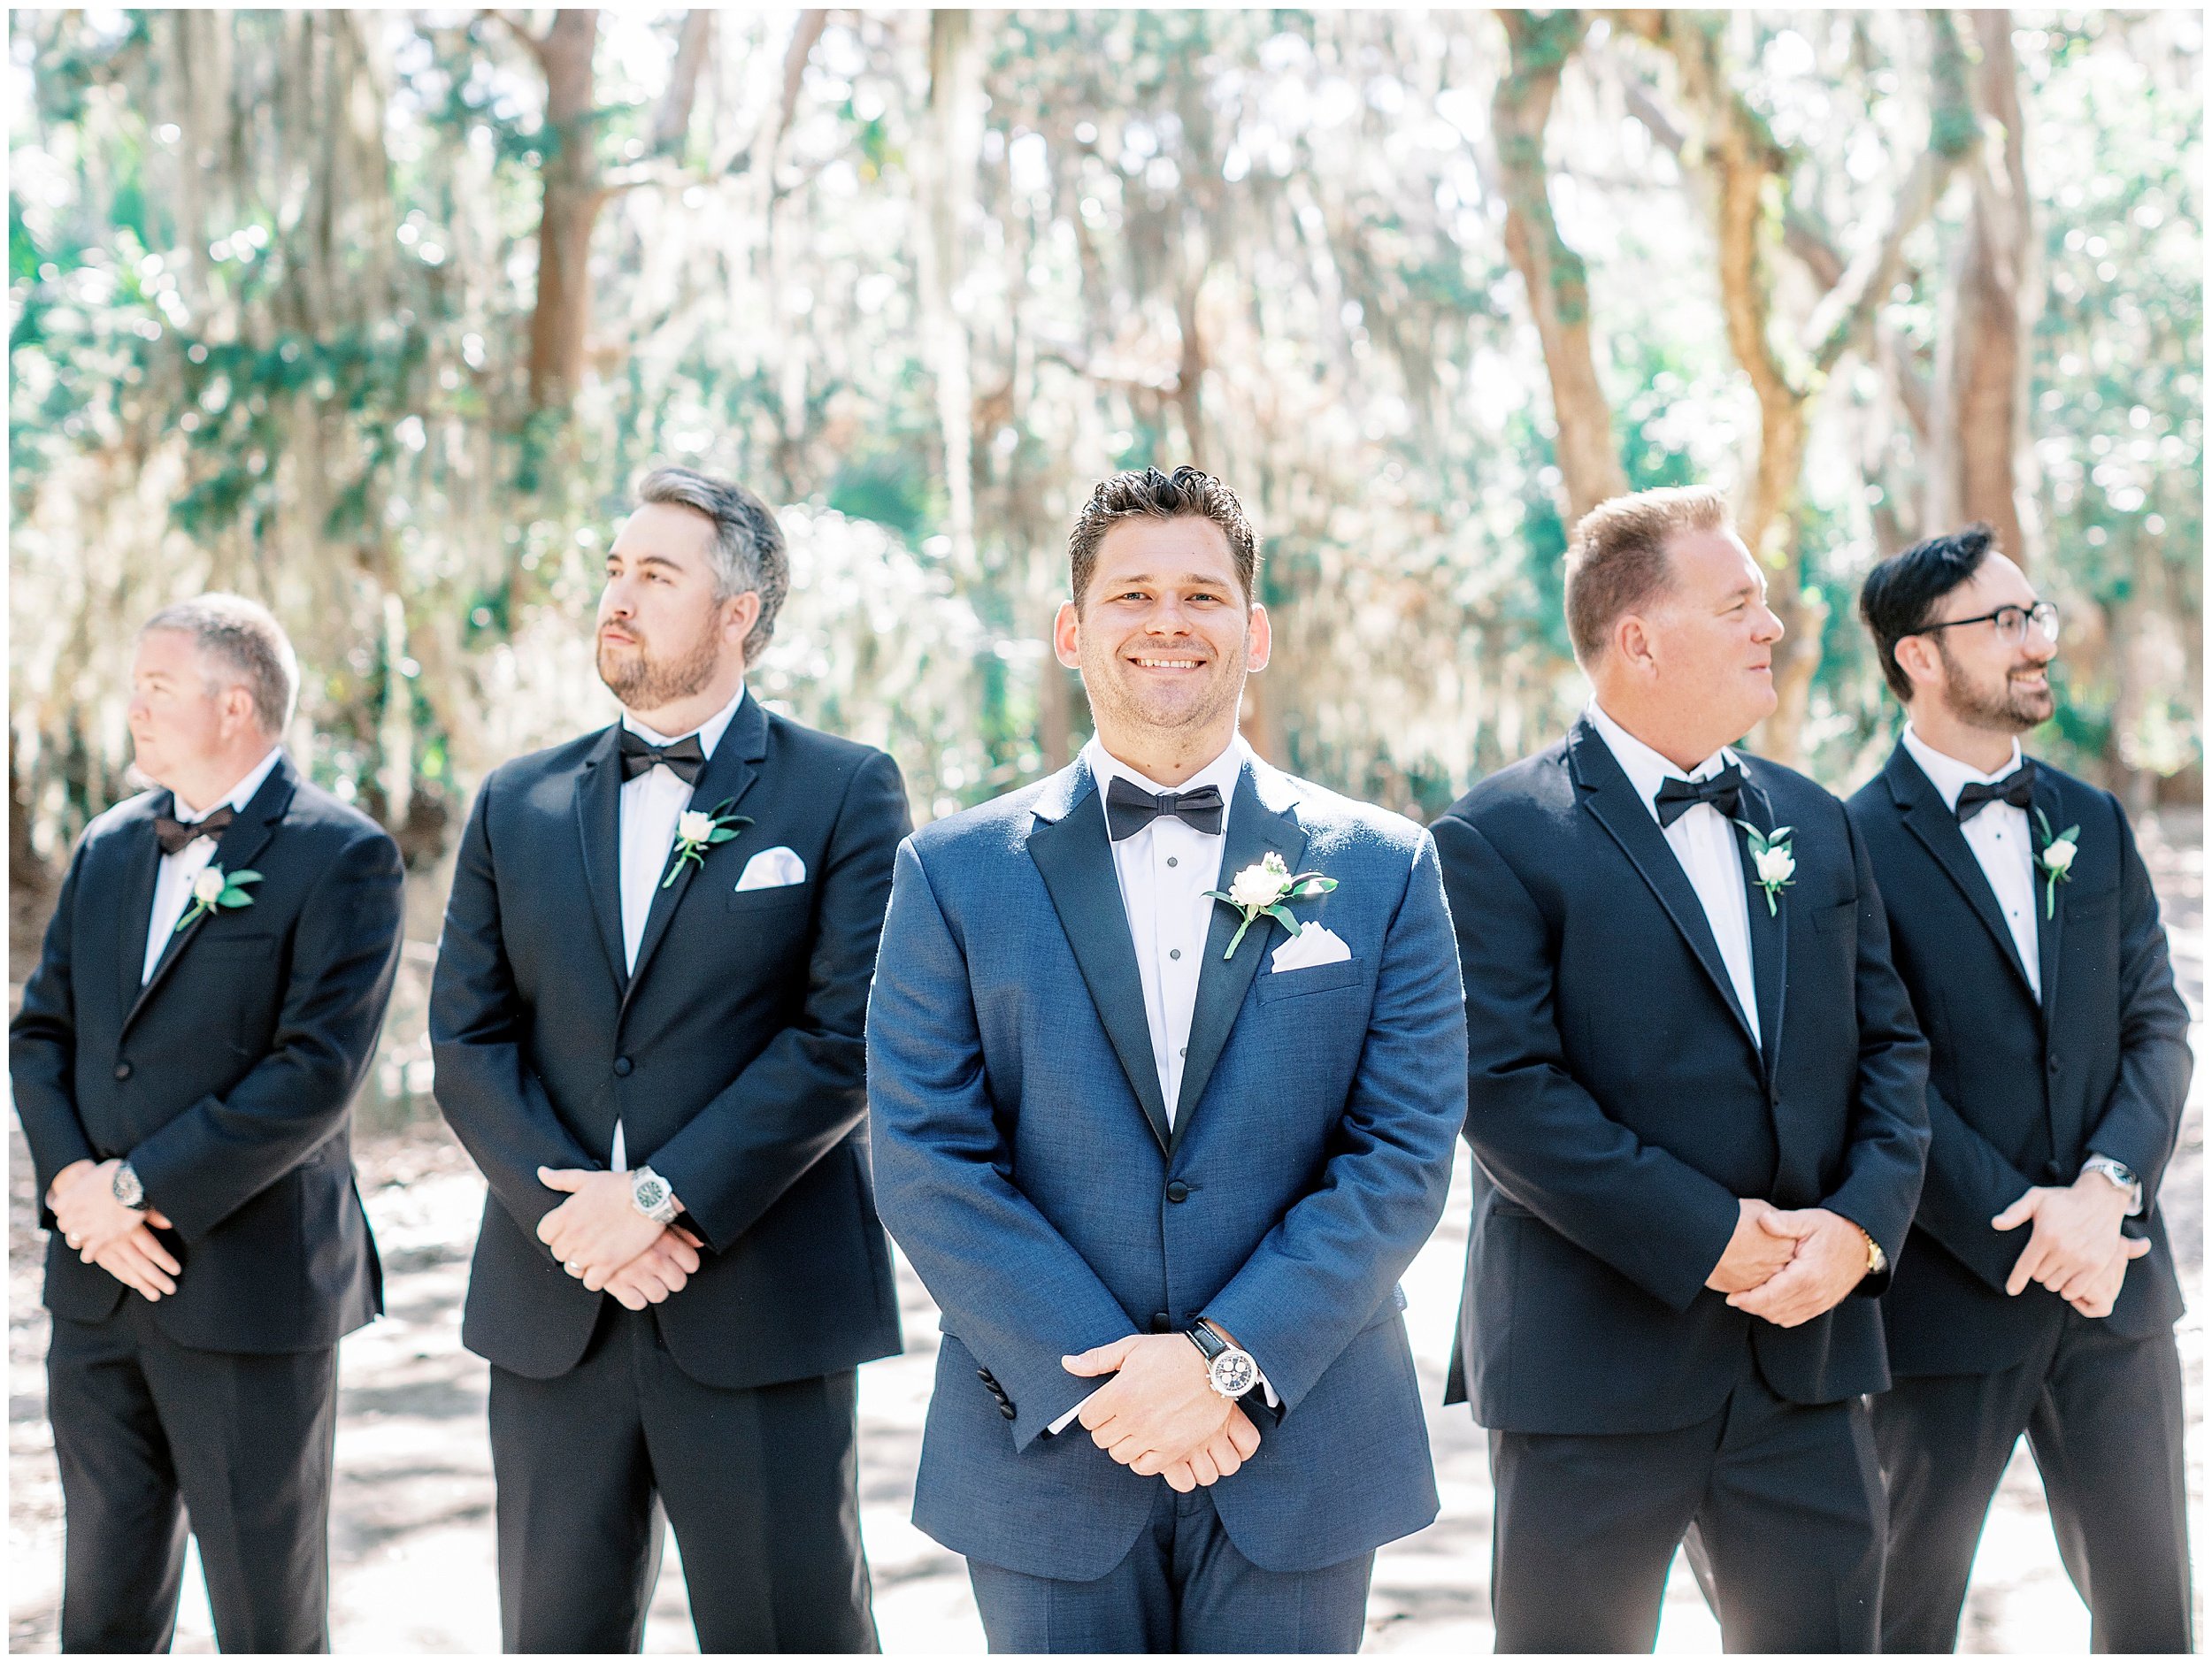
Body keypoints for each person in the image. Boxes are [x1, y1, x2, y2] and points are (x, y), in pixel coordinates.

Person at [866, 465, 1465, 1653]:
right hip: (1043, 1443)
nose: (1168, 622)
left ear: (1257, 632)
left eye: (1202, 593)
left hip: (1306, 1444)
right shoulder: (952, 872)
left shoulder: (1386, 866)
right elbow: (929, 1155)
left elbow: (1400, 1153)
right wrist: (1107, 1380)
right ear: (1072, 632)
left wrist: (1226, 1361)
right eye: (1133, 594)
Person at [1431, 485, 1932, 1652]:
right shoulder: (1493, 836)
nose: (1775, 626)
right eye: (1741, 604)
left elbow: (1895, 1048)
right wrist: (1714, 1236)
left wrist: (1855, 1233)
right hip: (1592, 1373)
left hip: (1804, 1362)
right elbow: (1504, 1088)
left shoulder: (1816, 820)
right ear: (1641, 637)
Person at [428, 465, 910, 1652]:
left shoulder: (845, 789)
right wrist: (577, 1221)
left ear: (739, 612)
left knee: (789, 1633)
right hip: (554, 1316)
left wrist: (661, 1199)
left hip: (758, 1303)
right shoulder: (514, 802)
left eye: (657, 575)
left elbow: (845, 1035)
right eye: (613, 572)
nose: (620, 599)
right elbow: (467, 1039)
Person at [11, 594, 404, 1652]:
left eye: (157, 686)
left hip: (248, 1289)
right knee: (101, 1603)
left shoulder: (344, 854)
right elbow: (41, 1037)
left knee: (264, 1611)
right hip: (96, 1289)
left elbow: (315, 1073)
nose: (133, 705)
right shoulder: (105, 847)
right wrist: (77, 1194)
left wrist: (135, 1189)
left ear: (235, 704)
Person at [1848, 526, 2193, 1652]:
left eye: (2034, 614)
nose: (2037, 641)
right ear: (1917, 657)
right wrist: (2022, 1229)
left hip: (2116, 1287)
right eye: (2003, 623)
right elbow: (1876, 1069)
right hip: (1949, 1293)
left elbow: (2158, 1026)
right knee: (1905, 1613)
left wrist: (2105, 1192)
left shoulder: (2091, 820)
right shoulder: (1848, 841)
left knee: (2149, 1617)